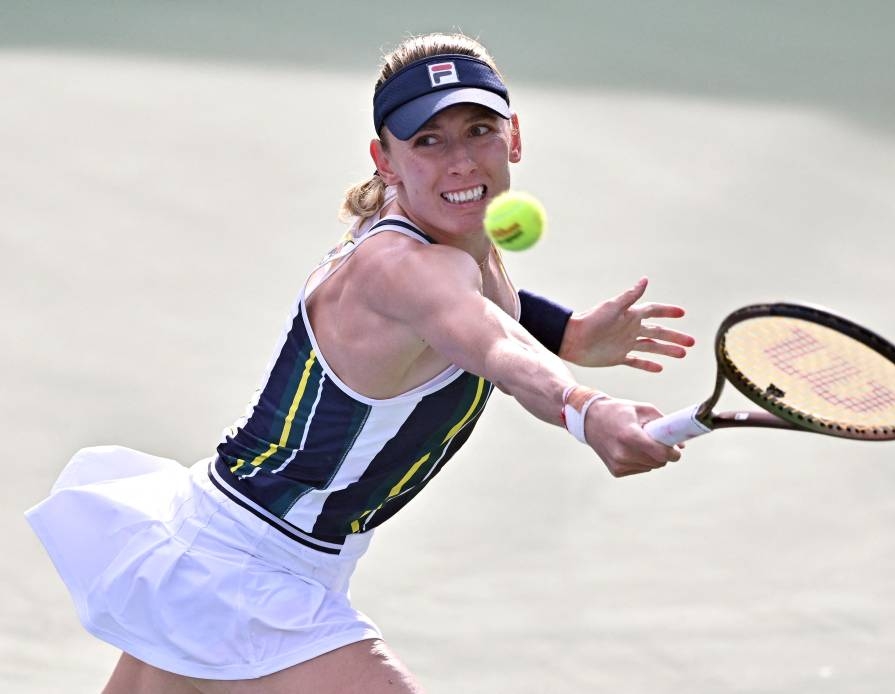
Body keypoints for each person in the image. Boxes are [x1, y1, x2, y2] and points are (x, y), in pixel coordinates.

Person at [25, 32, 695, 693]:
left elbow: (487, 315)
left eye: (478, 130)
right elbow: (492, 347)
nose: (459, 161)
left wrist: (569, 333)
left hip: (229, 539)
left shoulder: (451, 236)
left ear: (514, 137)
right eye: (427, 141)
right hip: (245, 570)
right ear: (386, 159)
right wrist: (588, 409)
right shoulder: (400, 266)